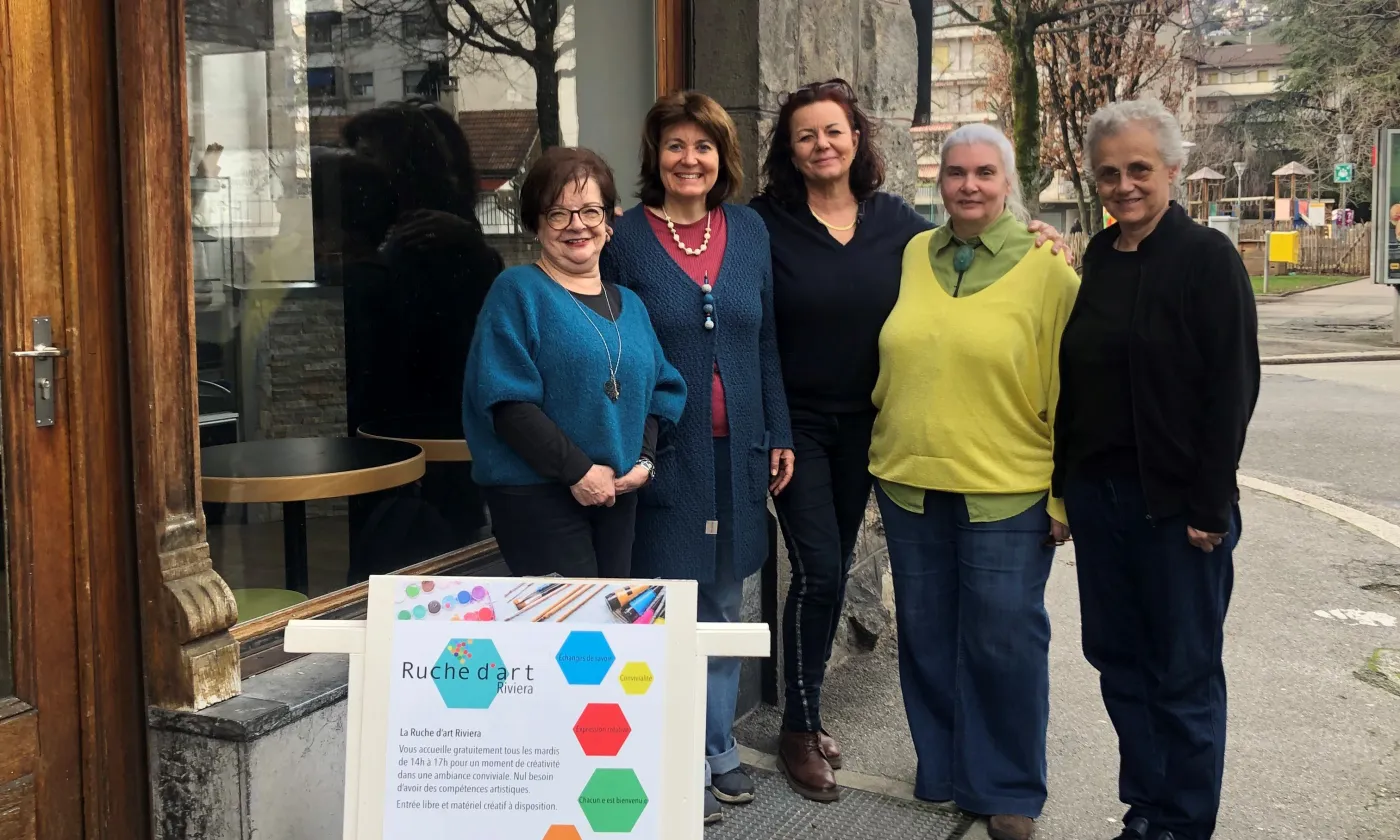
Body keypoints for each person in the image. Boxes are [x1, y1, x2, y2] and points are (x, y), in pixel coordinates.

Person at [749, 78, 1070, 804]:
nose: (822, 144)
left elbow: (982, 258)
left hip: (876, 430)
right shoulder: (763, 224)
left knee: (979, 628)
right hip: (804, 431)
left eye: (834, 131)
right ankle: (802, 726)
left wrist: (1045, 237)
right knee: (830, 575)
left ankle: (994, 781)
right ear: (789, 149)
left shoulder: (898, 226)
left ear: (857, 138)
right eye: (806, 134)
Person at [1053, 100, 1259, 840]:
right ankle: (1147, 811)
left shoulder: (1207, 259)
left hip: (1179, 510)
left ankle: (1183, 823)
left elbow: (1231, 391)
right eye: (1108, 172)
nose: (1123, 184)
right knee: (1120, 663)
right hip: (1101, 502)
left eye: (1139, 168)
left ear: (1171, 170)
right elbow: (1078, 383)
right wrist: (1062, 490)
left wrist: (1210, 505)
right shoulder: (1101, 259)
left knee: (1184, 673)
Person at [868, 123, 1080, 840]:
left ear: (1009, 182)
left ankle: (1009, 786)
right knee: (927, 632)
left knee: (1004, 640)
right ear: (939, 181)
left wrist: (1062, 495)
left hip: (1008, 487)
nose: (968, 185)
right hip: (908, 481)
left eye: (985, 173)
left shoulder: (1049, 269)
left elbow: (1074, 391)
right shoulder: (912, 255)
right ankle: (949, 769)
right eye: (956, 172)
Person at [601, 91, 793, 827]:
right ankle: (666, 757)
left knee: (720, 605)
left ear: (722, 157)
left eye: (703, 146)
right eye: (675, 146)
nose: (690, 160)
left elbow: (764, 341)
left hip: (737, 453)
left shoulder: (746, 232)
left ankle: (715, 748)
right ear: (655, 157)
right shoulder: (624, 239)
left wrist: (778, 430)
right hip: (664, 456)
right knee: (658, 610)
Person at [461, 147, 686, 578]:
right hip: (537, 497)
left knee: (610, 633)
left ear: (609, 221)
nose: (576, 225)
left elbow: (661, 390)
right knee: (570, 637)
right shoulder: (517, 292)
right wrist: (579, 472)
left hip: (617, 495)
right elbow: (506, 403)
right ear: (536, 225)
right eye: (558, 213)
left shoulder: (632, 305)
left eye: (589, 211)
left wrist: (644, 461)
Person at [339, 102, 504, 580]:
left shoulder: (428, 240)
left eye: (368, 154)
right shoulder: (439, 233)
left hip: (418, 430)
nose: (356, 166)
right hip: (411, 428)